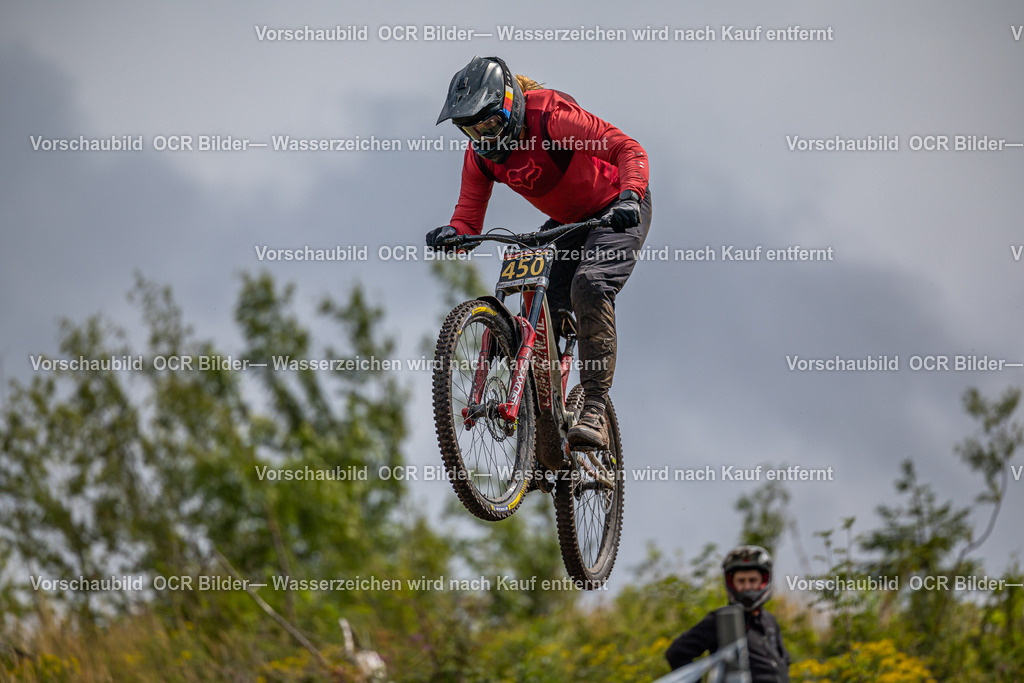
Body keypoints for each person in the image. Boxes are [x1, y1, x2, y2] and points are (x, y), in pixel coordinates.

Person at [427, 56, 652, 449]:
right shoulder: (480, 156)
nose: (484, 137)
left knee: (590, 285)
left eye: (489, 124)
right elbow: (468, 218)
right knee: (535, 301)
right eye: (472, 130)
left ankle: (594, 410)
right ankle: (542, 416)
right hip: (568, 222)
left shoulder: (550, 117)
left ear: (510, 106)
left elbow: (628, 149)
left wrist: (630, 194)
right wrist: (454, 234)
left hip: (617, 209)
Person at [665, 545, 791, 682]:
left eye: (753, 580)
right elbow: (676, 653)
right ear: (732, 583)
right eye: (741, 581)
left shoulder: (769, 620)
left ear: (763, 581)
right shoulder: (720, 620)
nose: (747, 587)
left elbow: (784, 661)